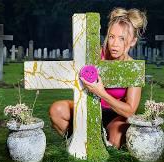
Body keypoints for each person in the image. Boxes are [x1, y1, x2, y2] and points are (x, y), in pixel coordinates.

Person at [49, 7, 147, 149]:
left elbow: (130, 110)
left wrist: (101, 92)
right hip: (89, 105)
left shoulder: (133, 68)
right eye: (112, 36)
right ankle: (79, 145)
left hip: (116, 114)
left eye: (122, 39)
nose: (114, 43)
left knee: (117, 137)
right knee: (56, 110)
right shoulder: (94, 54)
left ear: (132, 41)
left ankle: (103, 144)